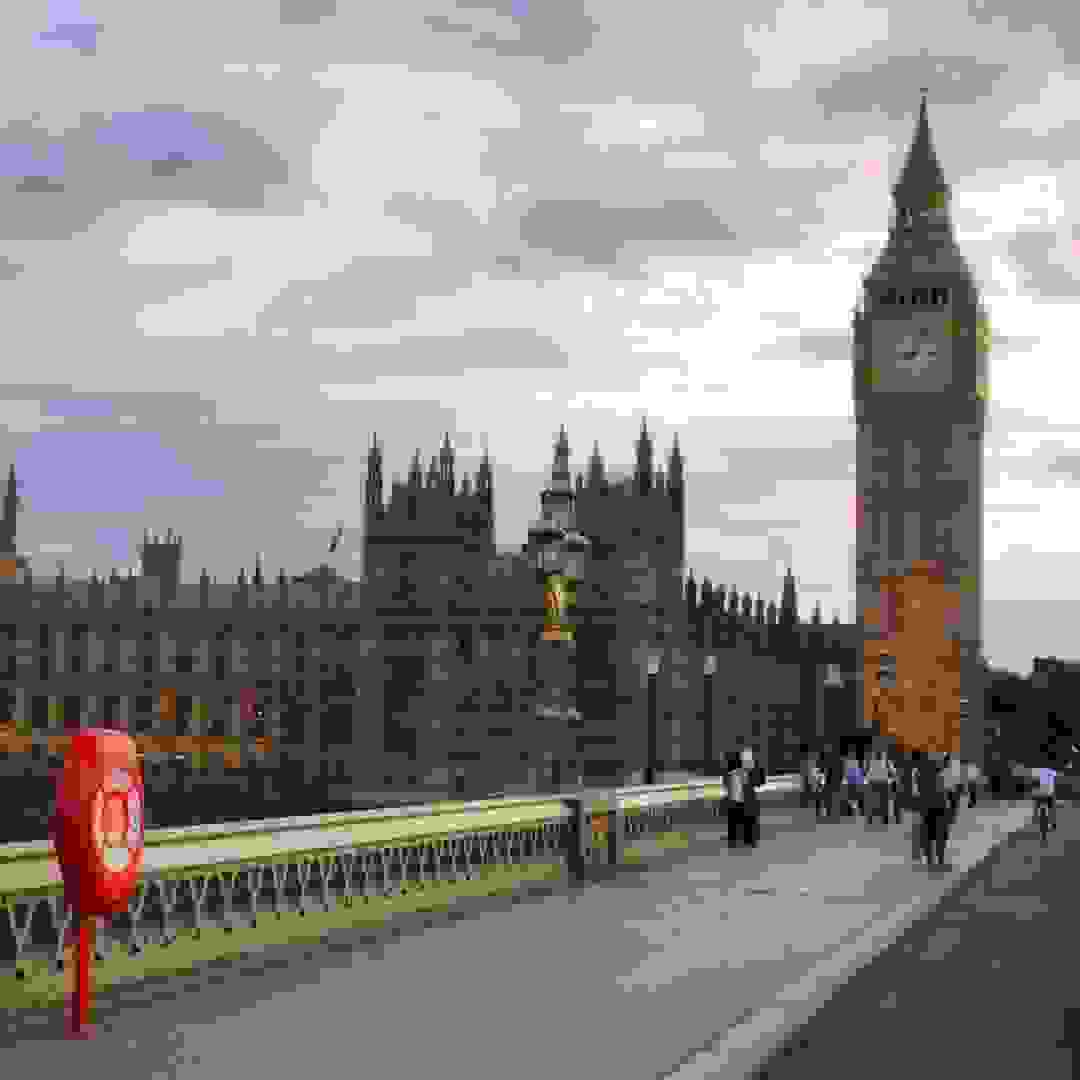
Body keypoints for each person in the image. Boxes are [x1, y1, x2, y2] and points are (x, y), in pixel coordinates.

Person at [916, 751, 952, 868]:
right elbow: (944, 763)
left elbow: (918, 790)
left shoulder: (918, 772)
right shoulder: (935, 768)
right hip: (938, 805)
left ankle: (931, 860)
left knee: (929, 834)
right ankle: (938, 860)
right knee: (940, 834)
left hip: (928, 806)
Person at [865, 749, 892, 825]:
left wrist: (866, 778)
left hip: (873, 782)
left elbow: (865, 771)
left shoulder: (870, 761)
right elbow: (892, 772)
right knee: (883, 802)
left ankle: (870, 818)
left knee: (871, 801)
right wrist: (891, 779)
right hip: (882, 782)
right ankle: (884, 818)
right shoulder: (886, 761)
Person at [1033, 760, 1058, 832]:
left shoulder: (1038, 772)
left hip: (1040, 794)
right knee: (1052, 808)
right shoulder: (1052, 771)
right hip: (1049, 794)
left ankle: (1035, 815)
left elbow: (1035, 783)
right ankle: (1053, 824)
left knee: (1036, 803)